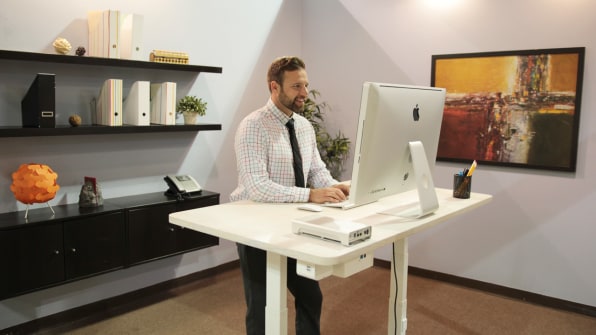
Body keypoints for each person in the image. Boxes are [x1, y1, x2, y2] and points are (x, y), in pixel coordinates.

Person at [230, 56, 350, 335]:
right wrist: (311, 195)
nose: (305, 93)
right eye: (297, 86)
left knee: (310, 296)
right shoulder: (253, 126)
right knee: (262, 307)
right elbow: (258, 187)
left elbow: (317, 171)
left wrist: (336, 188)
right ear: (275, 87)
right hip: (255, 228)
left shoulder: (304, 127)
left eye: (306, 85)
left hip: (293, 225)